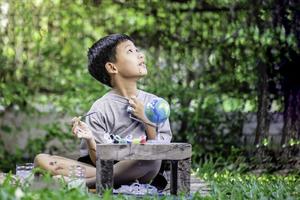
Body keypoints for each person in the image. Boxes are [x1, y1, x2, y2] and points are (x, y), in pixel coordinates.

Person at [34, 33, 172, 189]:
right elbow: (99, 161)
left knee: (150, 156)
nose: (140, 55)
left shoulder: (155, 104)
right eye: (130, 51)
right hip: (106, 170)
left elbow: (162, 151)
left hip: (144, 170)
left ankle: (85, 183)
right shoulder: (100, 109)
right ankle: (118, 180)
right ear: (112, 67)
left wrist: (148, 121)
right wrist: (89, 139)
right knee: (42, 160)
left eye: (137, 50)